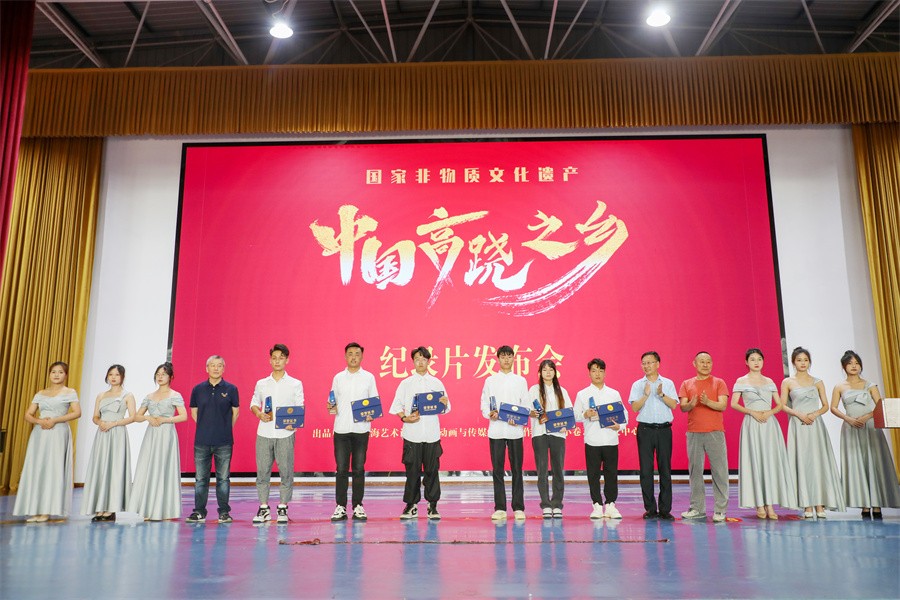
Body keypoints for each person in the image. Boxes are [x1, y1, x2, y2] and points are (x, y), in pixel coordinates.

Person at [830, 350, 900, 519]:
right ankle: (864, 504)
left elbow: (879, 405)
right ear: (844, 367)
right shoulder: (839, 386)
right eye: (850, 363)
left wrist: (866, 417)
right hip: (850, 428)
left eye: (857, 363)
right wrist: (848, 419)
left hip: (870, 427)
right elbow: (833, 407)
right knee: (857, 464)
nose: (854, 366)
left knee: (874, 462)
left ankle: (876, 504)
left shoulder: (870, 385)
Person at [731, 348, 797, 519]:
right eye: (752, 359)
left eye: (759, 359)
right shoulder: (741, 381)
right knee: (755, 461)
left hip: (769, 425)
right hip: (752, 424)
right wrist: (752, 412)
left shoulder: (769, 381)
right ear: (746, 362)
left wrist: (769, 413)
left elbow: (780, 404)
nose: (756, 362)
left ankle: (770, 505)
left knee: (769, 462)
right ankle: (759, 505)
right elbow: (734, 404)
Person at [780, 346, 844, 518]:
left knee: (817, 462)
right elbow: (782, 405)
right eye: (799, 360)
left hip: (815, 425)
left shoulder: (817, 381)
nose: (803, 363)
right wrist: (799, 414)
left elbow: (825, 405)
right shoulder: (788, 382)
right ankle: (807, 505)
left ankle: (820, 505)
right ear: (793, 362)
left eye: (806, 360)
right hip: (798, 425)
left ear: (809, 362)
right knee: (803, 462)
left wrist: (814, 415)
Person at [13, 361, 81, 522]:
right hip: (40, 434)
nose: (56, 375)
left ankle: (47, 510)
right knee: (37, 469)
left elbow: (77, 412)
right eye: (53, 372)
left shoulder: (70, 392)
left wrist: (55, 420)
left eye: (60, 372)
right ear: (49, 374)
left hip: (58, 432)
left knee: (53, 469)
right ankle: (35, 509)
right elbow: (28, 414)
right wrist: (39, 421)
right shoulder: (41, 393)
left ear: (66, 375)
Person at [389, 346, 450, 520]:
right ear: (413, 361)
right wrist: (405, 418)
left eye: (424, 359)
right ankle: (411, 505)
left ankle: (433, 505)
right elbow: (396, 406)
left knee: (432, 471)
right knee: (412, 472)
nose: (420, 362)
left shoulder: (437, 383)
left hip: (432, 435)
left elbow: (446, 408)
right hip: (412, 435)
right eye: (417, 359)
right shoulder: (406, 383)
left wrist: (444, 402)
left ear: (428, 361)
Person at [250, 344, 304, 524]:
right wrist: (259, 414)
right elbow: (253, 403)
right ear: (270, 360)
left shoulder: (295, 383)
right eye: (274, 358)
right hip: (264, 433)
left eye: (281, 358)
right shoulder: (262, 383)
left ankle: (283, 507)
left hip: (285, 434)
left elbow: (299, 407)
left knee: (286, 473)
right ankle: (263, 507)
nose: (277, 361)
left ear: (287, 360)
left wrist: (293, 423)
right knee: (262, 472)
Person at [128, 362, 188, 521]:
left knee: (164, 468)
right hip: (151, 435)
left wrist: (165, 420)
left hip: (166, 434)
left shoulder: (175, 395)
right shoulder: (149, 396)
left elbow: (183, 416)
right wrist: (148, 417)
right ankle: (148, 509)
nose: (160, 377)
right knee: (149, 468)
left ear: (171, 377)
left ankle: (165, 511)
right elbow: (137, 416)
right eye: (158, 374)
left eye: (164, 374)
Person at [329, 342, 379, 521]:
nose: (353, 357)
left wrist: (372, 414)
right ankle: (340, 506)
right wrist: (331, 407)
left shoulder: (369, 377)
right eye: (350, 353)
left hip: (361, 429)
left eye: (357, 354)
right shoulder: (338, 378)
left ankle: (358, 506)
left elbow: (374, 402)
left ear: (362, 356)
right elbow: (332, 402)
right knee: (341, 469)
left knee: (358, 469)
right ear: (345, 356)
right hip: (341, 429)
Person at [186, 355, 239, 524]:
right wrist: (205, 426)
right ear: (206, 368)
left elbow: (235, 413)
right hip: (202, 441)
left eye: (219, 365)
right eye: (212, 365)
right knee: (201, 479)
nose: (216, 368)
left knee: (223, 479)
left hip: (224, 441)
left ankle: (224, 512)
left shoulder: (231, 389)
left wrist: (223, 428)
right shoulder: (198, 389)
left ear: (224, 368)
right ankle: (199, 512)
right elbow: (194, 412)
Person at [678, 351, 730, 523]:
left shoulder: (719, 382)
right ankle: (697, 508)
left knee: (719, 471)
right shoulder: (686, 383)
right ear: (694, 364)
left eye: (708, 361)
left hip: (715, 432)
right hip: (694, 433)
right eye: (702, 361)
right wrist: (691, 404)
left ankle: (720, 510)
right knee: (695, 472)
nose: (705, 364)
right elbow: (683, 407)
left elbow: (723, 405)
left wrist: (707, 402)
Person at [481, 345, 530, 521]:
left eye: (509, 356)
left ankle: (518, 507)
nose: (506, 360)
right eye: (503, 357)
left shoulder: (520, 381)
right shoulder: (490, 380)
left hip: (515, 431)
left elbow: (526, 405)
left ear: (513, 358)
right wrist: (490, 414)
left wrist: (518, 418)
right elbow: (484, 404)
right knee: (497, 470)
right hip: (496, 431)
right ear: (498, 359)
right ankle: (500, 508)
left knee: (517, 469)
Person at [574, 358, 627, 520]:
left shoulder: (613, 393)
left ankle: (611, 505)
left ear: (605, 373)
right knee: (593, 475)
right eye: (594, 371)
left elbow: (624, 414)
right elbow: (575, 416)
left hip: (610, 440)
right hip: (592, 440)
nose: (597, 374)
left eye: (601, 371)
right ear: (589, 373)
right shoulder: (582, 394)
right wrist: (585, 414)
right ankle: (597, 505)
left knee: (611, 474)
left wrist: (619, 426)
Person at [82, 364, 136, 522]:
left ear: (122, 377)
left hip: (117, 434)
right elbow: (95, 416)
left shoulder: (128, 395)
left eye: (117, 375)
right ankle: (100, 507)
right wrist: (100, 423)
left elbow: (132, 417)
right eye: (111, 374)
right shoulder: (101, 395)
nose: (113, 377)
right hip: (103, 434)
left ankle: (111, 509)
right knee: (101, 468)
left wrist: (114, 424)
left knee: (114, 469)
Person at [628, 351, 678, 520]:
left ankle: (665, 509)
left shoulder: (668, 383)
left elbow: (674, 405)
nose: (646, 366)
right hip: (645, 430)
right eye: (644, 363)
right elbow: (634, 408)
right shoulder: (638, 384)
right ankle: (650, 509)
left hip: (664, 430)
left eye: (650, 362)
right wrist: (646, 395)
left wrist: (661, 394)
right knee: (646, 470)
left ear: (658, 364)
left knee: (665, 469)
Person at [528, 359, 572, 518]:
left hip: (558, 433)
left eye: (551, 369)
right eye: (545, 370)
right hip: (539, 433)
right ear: (540, 373)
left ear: (555, 372)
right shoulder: (534, 390)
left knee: (558, 469)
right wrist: (536, 414)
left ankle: (557, 504)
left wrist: (565, 424)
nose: (548, 372)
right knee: (542, 470)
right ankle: (546, 504)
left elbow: (569, 411)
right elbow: (528, 410)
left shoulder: (561, 391)